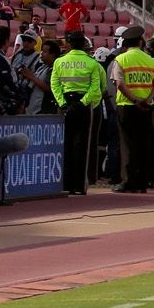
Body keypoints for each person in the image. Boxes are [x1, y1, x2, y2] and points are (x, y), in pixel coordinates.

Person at [51, 33, 104, 194]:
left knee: (65, 144)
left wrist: (63, 103)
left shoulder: (59, 61)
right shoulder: (92, 63)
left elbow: (55, 84)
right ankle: (79, 186)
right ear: (84, 45)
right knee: (82, 146)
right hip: (83, 106)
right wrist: (83, 103)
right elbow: (96, 88)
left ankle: (65, 185)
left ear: (68, 44)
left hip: (65, 104)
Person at [108, 27, 154, 193]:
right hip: (146, 107)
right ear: (140, 42)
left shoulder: (120, 59)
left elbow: (119, 84)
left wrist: (134, 100)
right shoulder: (151, 60)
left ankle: (128, 181)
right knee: (145, 144)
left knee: (127, 145)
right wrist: (148, 98)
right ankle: (143, 182)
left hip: (127, 106)